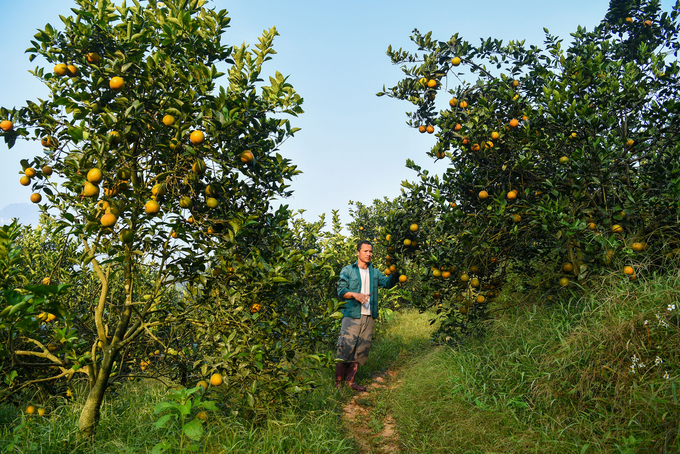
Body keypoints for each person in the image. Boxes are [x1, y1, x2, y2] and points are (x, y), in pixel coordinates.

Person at [335, 240, 399, 391]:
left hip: (369, 316)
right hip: (352, 315)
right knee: (345, 349)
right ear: (358, 252)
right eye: (365, 251)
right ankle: (338, 384)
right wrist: (355, 295)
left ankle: (351, 381)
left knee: (360, 351)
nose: (369, 254)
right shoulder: (348, 270)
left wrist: (396, 272)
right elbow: (341, 291)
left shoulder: (374, 272)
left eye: (370, 252)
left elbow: (388, 284)